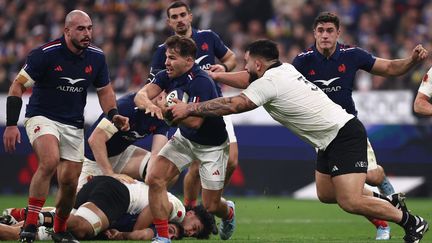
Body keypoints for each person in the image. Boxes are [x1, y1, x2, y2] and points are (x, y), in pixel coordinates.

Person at [168, 39, 429, 243]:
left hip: (342, 134)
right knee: (326, 194)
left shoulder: (269, 83)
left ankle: (411, 221)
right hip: (330, 138)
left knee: (350, 200)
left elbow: (235, 104)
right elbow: (246, 79)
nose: (245, 68)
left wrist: (191, 108)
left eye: (247, 62)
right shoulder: (284, 69)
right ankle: (389, 201)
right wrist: (217, 76)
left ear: (259, 64)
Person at [291, 12, 428, 240]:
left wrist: (412, 60)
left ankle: (392, 208)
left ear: (338, 33)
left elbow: (391, 68)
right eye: (321, 31)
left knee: (371, 177)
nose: (325, 35)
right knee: (326, 194)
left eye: (330, 31)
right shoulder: (302, 61)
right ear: (314, 33)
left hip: (346, 130)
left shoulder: (351, 55)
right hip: (322, 135)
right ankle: (387, 203)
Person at [2, 10, 129, 243]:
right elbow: (17, 86)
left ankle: (60, 230)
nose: (87, 33)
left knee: (70, 182)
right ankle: (30, 225)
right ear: (67, 30)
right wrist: (11, 124)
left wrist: (114, 114)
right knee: (49, 161)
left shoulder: (97, 58)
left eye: (90, 28)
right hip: (42, 116)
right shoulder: (44, 54)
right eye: (81, 29)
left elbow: (105, 91)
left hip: (73, 124)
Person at [134, 35, 236, 243]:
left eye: (172, 58)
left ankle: (229, 213)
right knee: (154, 178)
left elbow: (195, 123)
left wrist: (164, 111)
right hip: (185, 139)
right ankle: (163, 237)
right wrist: (151, 105)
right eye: (166, 57)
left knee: (210, 205)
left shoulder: (202, 82)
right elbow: (140, 95)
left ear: (189, 61)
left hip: (211, 147)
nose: (166, 63)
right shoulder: (166, 75)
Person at [149, 0, 238, 208]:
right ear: (169, 22)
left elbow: (232, 58)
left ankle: (216, 203)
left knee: (232, 161)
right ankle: (191, 209)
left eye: (182, 15)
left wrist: (223, 68)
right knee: (194, 166)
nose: (179, 20)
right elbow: (155, 84)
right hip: (184, 109)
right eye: (174, 17)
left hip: (217, 107)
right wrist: (162, 104)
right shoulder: (163, 51)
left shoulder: (207, 37)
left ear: (190, 16)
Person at [0, 176, 215, 241]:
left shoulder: (171, 225)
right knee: (83, 227)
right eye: (194, 227)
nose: (190, 232)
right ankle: (33, 217)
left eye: (194, 235)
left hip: (105, 190)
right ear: (191, 213)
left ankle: (13, 223)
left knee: (67, 231)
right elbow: (157, 206)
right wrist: (126, 234)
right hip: (118, 196)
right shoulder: (176, 211)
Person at [77, 92, 170, 191]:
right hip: (94, 156)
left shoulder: (162, 115)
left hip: (121, 153)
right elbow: (95, 140)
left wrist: (153, 180)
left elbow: (156, 154)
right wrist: (110, 174)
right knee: (78, 203)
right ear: (161, 96)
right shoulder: (127, 106)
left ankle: (152, 202)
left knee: (164, 169)